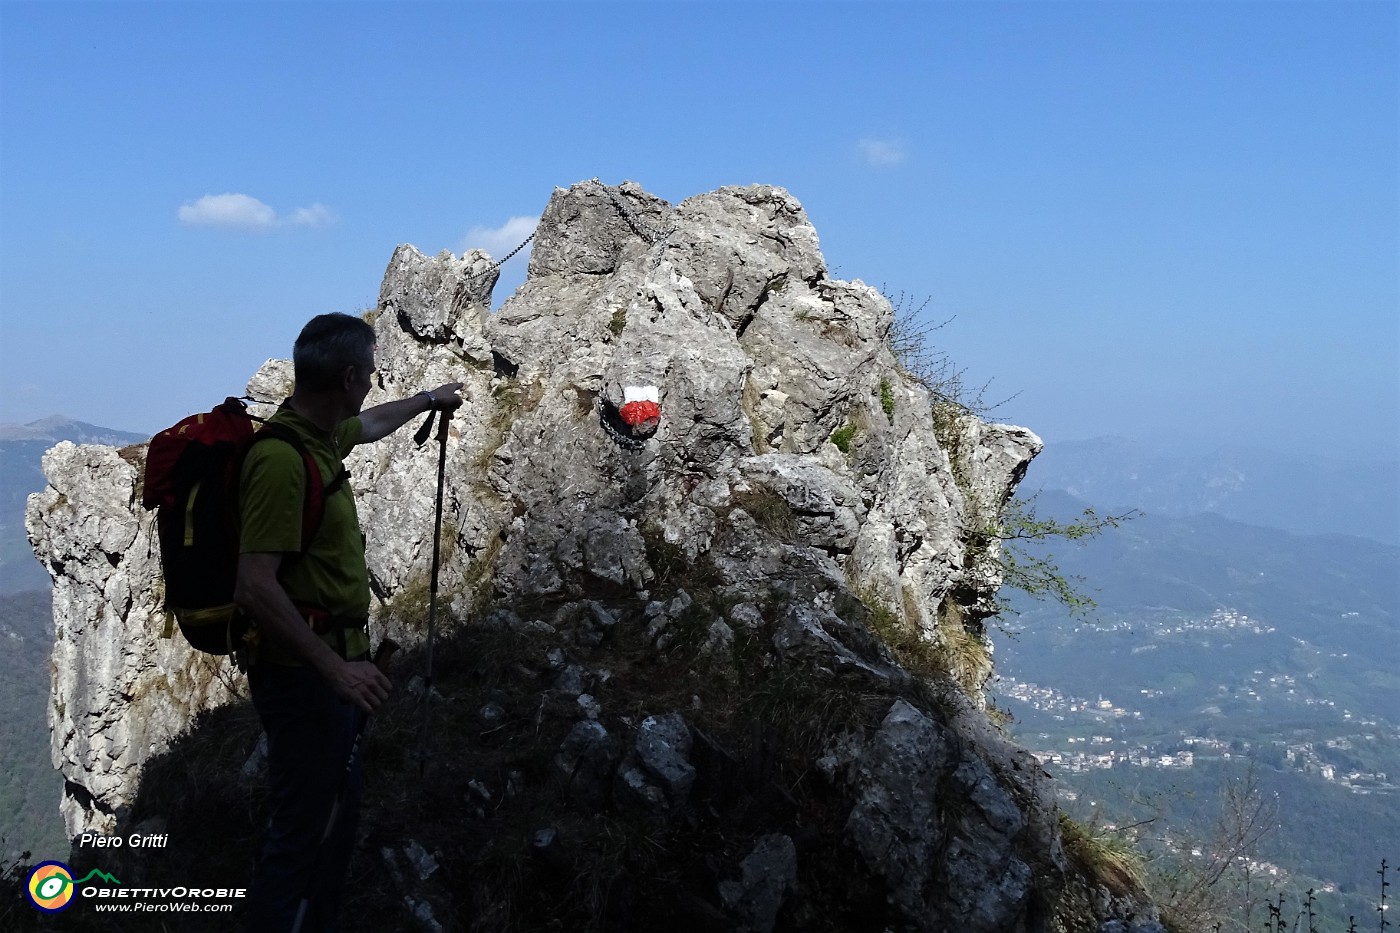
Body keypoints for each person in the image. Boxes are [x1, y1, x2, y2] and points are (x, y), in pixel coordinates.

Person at [234, 312, 462, 932]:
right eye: (367, 373)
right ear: (347, 376)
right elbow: (254, 584)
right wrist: (335, 669)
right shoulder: (282, 459)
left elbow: (373, 422)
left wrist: (428, 400)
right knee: (302, 835)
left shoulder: (317, 436)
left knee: (332, 822)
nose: (369, 384)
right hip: (309, 681)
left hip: (333, 673)